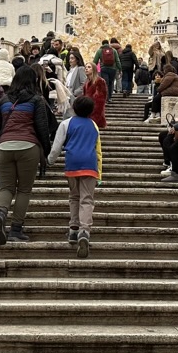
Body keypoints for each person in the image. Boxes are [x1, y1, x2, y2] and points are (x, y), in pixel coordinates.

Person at [0, 67, 52, 245]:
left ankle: (0, 213)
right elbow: (42, 128)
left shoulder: (3, 100)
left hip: (4, 147)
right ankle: (16, 229)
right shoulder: (36, 100)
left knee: (6, 188)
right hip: (28, 147)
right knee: (24, 189)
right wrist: (45, 150)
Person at [47, 95, 102, 259]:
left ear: (74, 108)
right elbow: (97, 148)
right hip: (90, 164)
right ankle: (85, 231)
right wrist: (99, 171)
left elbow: (57, 146)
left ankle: (73, 229)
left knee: (74, 196)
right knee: (87, 199)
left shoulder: (66, 123)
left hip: (72, 163)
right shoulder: (94, 125)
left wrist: (50, 160)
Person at [83, 63, 108, 129]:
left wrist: (94, 118)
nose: (86, 69)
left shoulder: (99, 81)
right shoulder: (86, 83)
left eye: (89, 67)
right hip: (87, 114)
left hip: (95, 117)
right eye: (85, 67)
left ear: (93, 69)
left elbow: (100, 102)